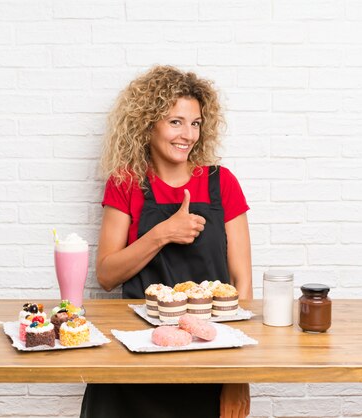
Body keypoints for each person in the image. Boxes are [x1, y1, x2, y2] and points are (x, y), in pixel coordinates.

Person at [80, 65, 253, 418]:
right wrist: (163, 233)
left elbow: (243, 285)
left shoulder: (223, 183)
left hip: (208, 356)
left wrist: (238, 376)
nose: (188, 134)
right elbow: (107, 275)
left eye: (195, 123)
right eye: (175, 121)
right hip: (134, 355)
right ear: (148, 124)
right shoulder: (126, 183)